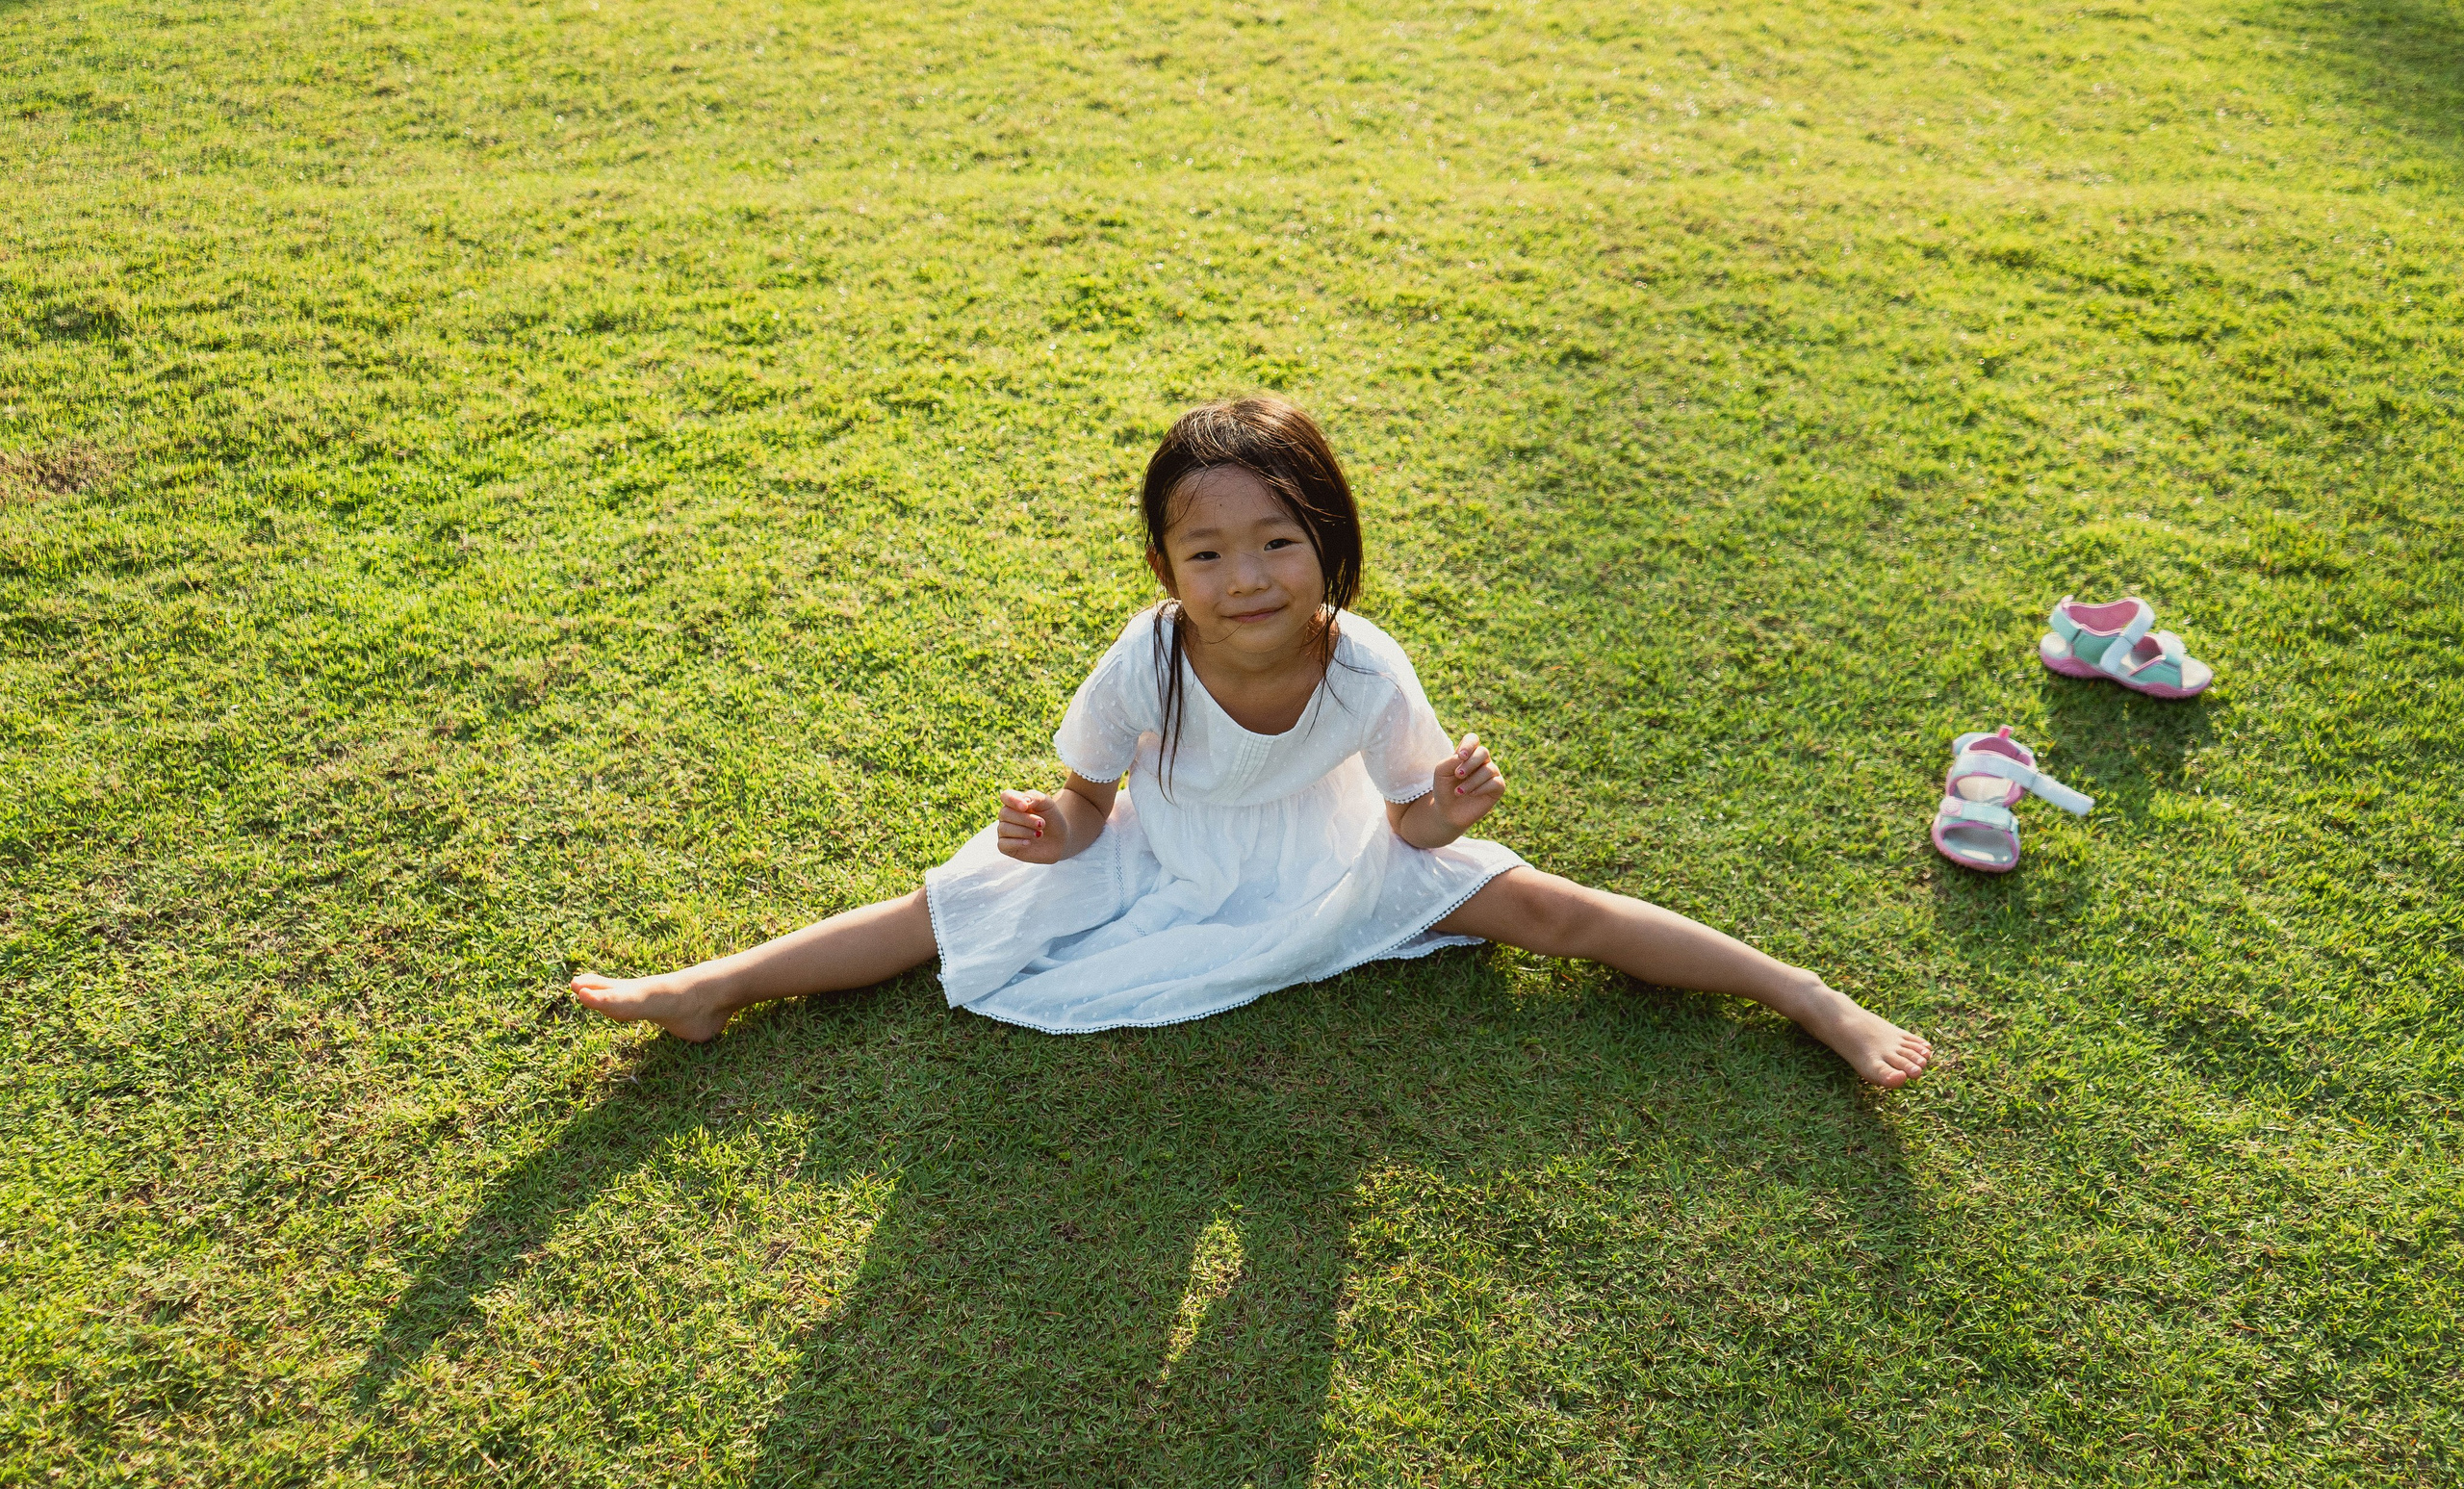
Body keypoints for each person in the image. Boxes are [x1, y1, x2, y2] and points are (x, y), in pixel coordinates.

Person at [572, 398, 1933, 1086]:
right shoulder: (1145, 658)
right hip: (1168, 847)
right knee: (950, 904)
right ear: (1167, 568)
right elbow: (1087, 802)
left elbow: (1400, 822)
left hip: (1332, 856)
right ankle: (718, 986)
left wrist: (1439, 828)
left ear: (1326, 546)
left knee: (1554, 913)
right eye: (1207, 551)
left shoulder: (1368, 667)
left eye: (1278, 542)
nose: (1247, 578)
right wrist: (1058, 834)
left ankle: (1803, 994)